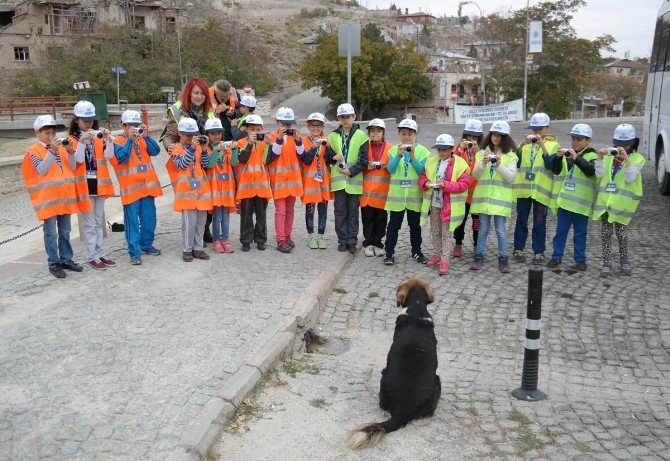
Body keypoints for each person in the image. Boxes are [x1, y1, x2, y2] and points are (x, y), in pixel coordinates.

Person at [21, 115, 83, 278]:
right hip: (48, 200)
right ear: (37, 133)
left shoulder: (61, 147)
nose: (51, 136)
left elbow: (72, 166)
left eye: (53, 133)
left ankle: (66, 259)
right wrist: (53, 151)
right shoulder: (33, 151)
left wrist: (70, 151)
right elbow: (42, 169)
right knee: (51, 234)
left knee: (65, 231)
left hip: (64, 197)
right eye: (47, 133)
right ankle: (53, 263)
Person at [161, 77, 216, 244]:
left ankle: (204, 229)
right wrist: (171, 147)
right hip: (187, 158)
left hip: (205, 157)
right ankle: (190, 239)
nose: (199, 97)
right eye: (196, 93)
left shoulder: (209, 110)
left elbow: (215, 131)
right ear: (188, 93)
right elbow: (169, 136)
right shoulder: (177, 110)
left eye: (202, 94)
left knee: (207, 197)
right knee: (191, 201)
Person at [66, 101, 117, 271]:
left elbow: (109, 155)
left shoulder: (97, 137)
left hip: (99, 184)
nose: (88, 123)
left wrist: (109, 140)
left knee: (97, 222)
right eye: (84, 120)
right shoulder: (71, 140)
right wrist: (81, 141)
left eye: (91, 120)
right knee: (88, 223)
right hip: (84, 186)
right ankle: (91, 256)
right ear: (76, 120)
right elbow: (78, 160)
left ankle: (101, 253)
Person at [111, 110, 163, 265]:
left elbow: (156, 151)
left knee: (149, 219)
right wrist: (130, 140)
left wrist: (146, 136)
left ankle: (146, 245)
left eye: (137, 125)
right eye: (131, 125)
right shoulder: (118, 141)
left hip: (147, 188)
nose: (134, 128)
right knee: (132, 223)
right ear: (123, 125)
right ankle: (134, 252)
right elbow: (122, 157)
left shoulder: (142, 138)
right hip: (131, 190)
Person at [593, 124, 645, 277]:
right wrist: (600, 157)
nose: (621, 147)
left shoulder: (638, 158)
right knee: (605, 233)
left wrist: (626, 159)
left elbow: (630, 178)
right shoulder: (609, 156)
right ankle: (606, 262)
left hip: (622, 204)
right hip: (605, 203)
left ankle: (624, 261)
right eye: (618, 144)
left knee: (622, 234)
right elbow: (600, 175)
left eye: (625, 144)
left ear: (633, 143)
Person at [547, 123, 597, 270]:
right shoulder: (567, 155)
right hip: (565, 202)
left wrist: (576, 158)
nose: (575, 142)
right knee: (560, 232)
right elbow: (556, 171)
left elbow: (590, 171)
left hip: (581, 204)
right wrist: (556, 158)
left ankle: (580, 260)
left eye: (579, 139)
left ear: (588, 141)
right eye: (573, 139)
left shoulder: (593, 155)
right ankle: (556, 257)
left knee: (580, 234)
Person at [469, 120, 518, 273]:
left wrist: (499, 165)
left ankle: (503, 259)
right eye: (493, 134)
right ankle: (479, 256)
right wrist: (482, 163)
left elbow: (511, 177)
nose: (495, 137)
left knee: (501, 230)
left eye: (499, 135)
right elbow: (474, 175)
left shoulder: (511, 156)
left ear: (505, 137)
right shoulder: (482, 153)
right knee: (483, 229)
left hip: (500, 200)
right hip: (484, 199)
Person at [418, 134, 470, 275]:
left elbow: (464, 184)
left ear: (451, 149)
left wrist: (446, 185)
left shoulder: (460, 164)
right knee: (435, 231)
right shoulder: (431, 162)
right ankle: (436, 253)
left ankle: (444, 259)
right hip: (434, 203)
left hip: (449, 205)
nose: (441, 153)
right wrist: (425, 183)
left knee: (446, 233)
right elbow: (423, 177)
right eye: (439, 150)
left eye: (444, 150)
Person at [512, 112, 558, 265]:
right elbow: (515, 162)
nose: (536, 132)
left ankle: (539, 252)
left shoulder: (553, 145)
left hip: (541, 191)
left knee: (539, 223)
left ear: (546, 128)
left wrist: (543, 146)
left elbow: (551, 165)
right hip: (524, 190)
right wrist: (521, 145)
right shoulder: (526, 144)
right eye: (534, 129)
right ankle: (518, 249)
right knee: (521, 221)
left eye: (539, 129)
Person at [165, 117, 212, 262]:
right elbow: (182, 165)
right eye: (187, 135)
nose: (190, 138)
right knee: (189, 224)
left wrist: (204, 149)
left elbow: (205, 163)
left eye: (193, 135)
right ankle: (187, 249)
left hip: (201, 192)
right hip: (186, 194)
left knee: (200, 222)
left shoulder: (198, 147)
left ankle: (198, 248)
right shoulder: (176, 148)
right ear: (179, 133)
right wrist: (192, 148)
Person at [383, 118, 430, 266]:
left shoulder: (423, 151)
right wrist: (398, 155)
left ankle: (416, 251)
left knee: (415, 226)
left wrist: (412, 157)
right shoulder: (392, 150)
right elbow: (390, 170)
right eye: (403, 133)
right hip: (397, 196)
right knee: (393, 226)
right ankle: (389, 252)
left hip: (414, 196)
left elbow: (422, 171)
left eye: (410, 133)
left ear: (415, 134)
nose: (407, 136)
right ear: (399, 134)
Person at [327, 103, 369, 254]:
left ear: (354, 117)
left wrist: (350, 171)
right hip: (339, 182)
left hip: (353, 181)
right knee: (340, 212)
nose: (345, 119)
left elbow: (364, 161)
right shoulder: (332, 136)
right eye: (342, 117)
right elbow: (327, 157)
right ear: (338, 118)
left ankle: (352, 240)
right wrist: (332, 156)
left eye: (348, 116)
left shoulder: (362, 136)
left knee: (352, 213)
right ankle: (342, 240)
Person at [233, 114, 273, 252]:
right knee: (246, 215)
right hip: (246, 187)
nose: (255, 132)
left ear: (262, 129)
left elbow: (267, 160)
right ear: (246, 129)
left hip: (261, 186)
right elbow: (242, 159)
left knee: (261, 215)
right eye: (252, 129)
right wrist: (249, 144)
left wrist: (269, 144)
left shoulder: (264, 143)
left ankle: (261, 240)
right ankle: (246, 240)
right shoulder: (241, 143)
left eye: (258, 129)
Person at [269, 107, 304, 253]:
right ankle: (281, 239)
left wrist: (297, 141)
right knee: (281, 211)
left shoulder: (296, 137)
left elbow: (302, 154)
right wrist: (279, 138)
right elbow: (274, 154)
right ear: (278, 123)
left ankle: (288, 236)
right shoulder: (272, 137)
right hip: (279, 181)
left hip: (293, 181)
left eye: (289, 124)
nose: (287, 127)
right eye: (284, 124)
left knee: (290, 210)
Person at [203, 118, 237, 253]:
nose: (216, 136)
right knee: (217, 217)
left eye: (219, 133)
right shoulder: (207, 149)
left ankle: (225, 239)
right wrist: (216, 151)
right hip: (215, 189)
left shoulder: (226, 148)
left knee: (226, 216)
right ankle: (216, 239)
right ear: (208, 134)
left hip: (227, 189)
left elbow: (234, 163)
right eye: (213, 133)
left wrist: (234, 150)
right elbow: (209, 164)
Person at [300, 112, 333, 249]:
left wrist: (330, 148)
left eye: (318, 126)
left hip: (323, 180)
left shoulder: (326, 141)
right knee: (310, 210)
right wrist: (313, 148)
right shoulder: (303, 141)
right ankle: (311, 236)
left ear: (323, 126)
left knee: (323, 210)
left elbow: (329, 160)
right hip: (310, 181)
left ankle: (321, 236)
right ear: (308, 126)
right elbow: (306, 160)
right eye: (313, 125)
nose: (315, 128)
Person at [361, 118, 391, 257]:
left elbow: (393, 168)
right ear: (368, 133)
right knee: (367, 219)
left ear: (383, 133)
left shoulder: (391, 148)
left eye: (378, 131)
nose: (375, 133)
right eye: (372, 131)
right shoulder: (364, 146)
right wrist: (366, 166)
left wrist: (386, 166)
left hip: (382, 192)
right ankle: (368, 243)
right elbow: (359, 165)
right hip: (366, 192)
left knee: (381, 220)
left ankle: (378, 243)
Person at [453, 119, 483, 258]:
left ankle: (477, 245)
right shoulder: (458, 148)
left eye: (475, 137)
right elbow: (451, 163)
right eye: (469, 136)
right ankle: (458, 243)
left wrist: (479, 153)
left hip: (476, 194)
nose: (471, 139)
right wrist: (460, 150)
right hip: (461, 193)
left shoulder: (482, 151)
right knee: (460, 221)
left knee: (477, 222)